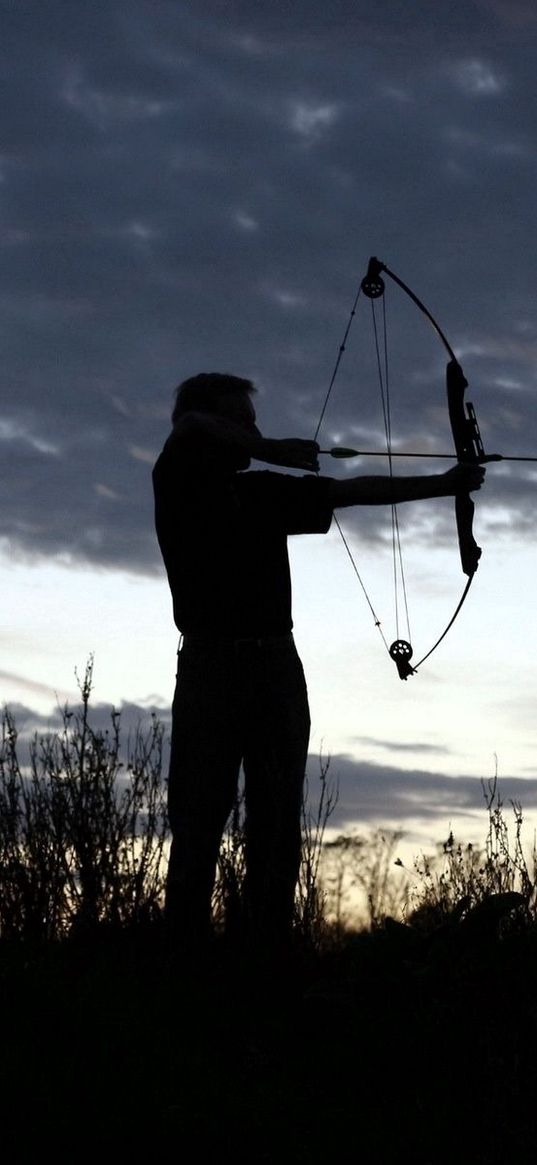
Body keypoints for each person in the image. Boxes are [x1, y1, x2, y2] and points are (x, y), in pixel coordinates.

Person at [152, 372, 485, 955]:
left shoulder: (260, 493)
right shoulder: (178, 480)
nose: (251, 432)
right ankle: (183, 965)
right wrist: (269, 446)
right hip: (210, 670)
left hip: (276, 669)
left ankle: (266, 958)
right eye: (242, 421)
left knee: (276, 826)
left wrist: (445, 483)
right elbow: (191, 425)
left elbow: (353, 490)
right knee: (199, 824)